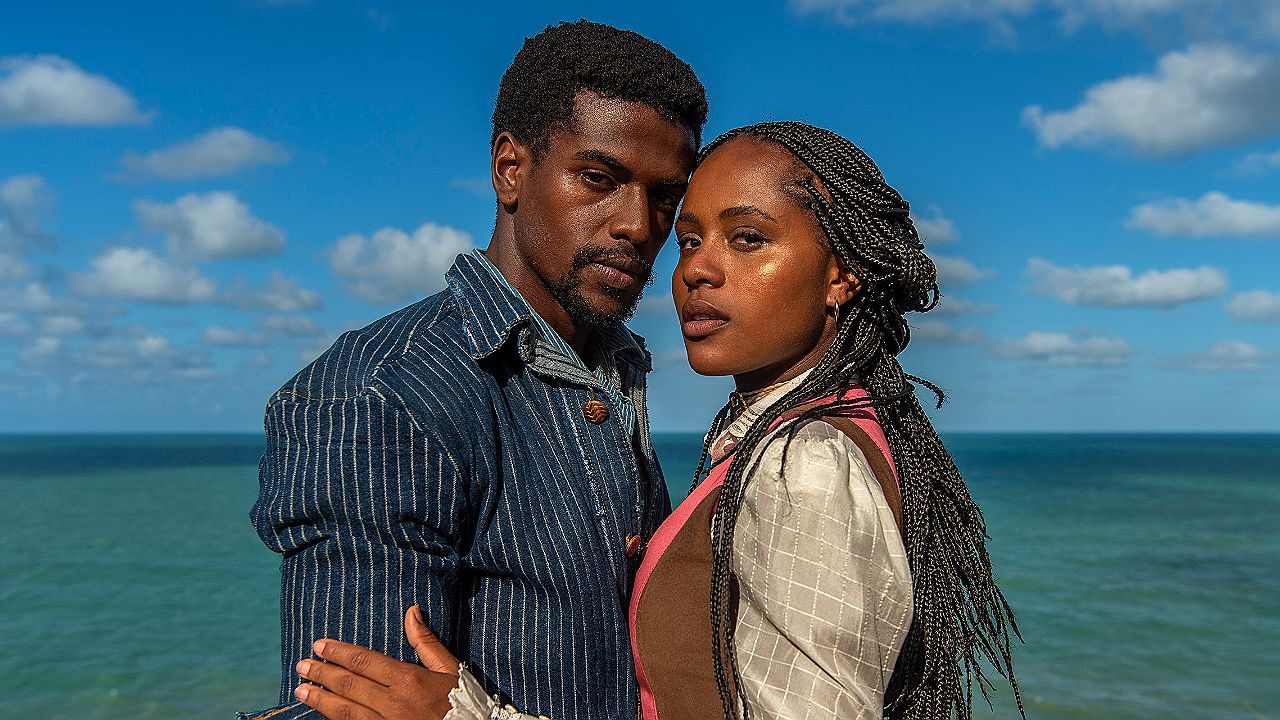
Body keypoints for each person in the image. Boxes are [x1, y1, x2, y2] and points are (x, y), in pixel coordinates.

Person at [325, 121, 1022, 720]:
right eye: (689, 240)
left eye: (747, 239)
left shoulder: (806, 463)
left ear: (842, 275)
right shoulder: (779, 438)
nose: (697, 271)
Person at [238, 20, 707, 720]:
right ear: (510, 169)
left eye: (665, 196)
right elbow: (343, 705)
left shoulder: (610, 367)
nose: (638, 224)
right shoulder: (385, 396)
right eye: (599, 179)